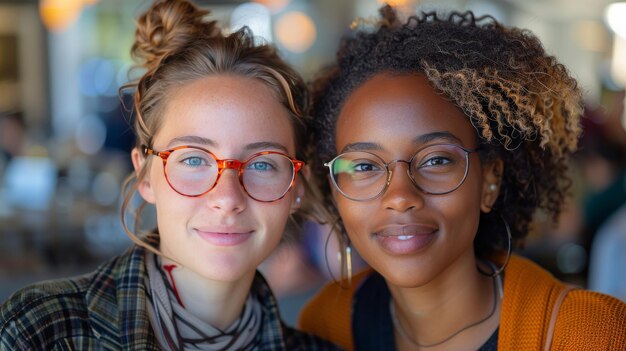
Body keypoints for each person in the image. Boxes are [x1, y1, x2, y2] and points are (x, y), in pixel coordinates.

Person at [0, 0, 339, 350]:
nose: (227, 198)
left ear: (296, 186)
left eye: (262, 163)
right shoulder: (39, 331)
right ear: (146, 174)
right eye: (193, 160)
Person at [298, 7, 626, 351]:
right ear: (335, 190)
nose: (399, 195)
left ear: (489, 181)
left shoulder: (594, 335)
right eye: (364, 166)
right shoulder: (322, 324)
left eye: (436, 160)